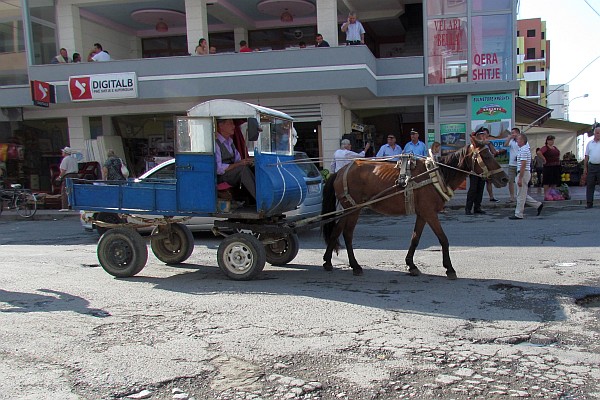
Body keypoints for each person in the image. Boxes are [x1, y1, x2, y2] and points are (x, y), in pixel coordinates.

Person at [215, 119, 256, 201]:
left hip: (232, 173)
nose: (233, 126)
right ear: (221, 126)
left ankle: (253, 199)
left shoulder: (230, 142)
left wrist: (247, 162)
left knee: (253, 167)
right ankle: (260, 199)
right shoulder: (216, 144)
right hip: (220, 177)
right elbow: (218, 169)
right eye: (230, 123)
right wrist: (238, 164)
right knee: (242, 170)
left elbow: (238, 160)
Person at [509, 133, 543, 219]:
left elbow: (523, 164)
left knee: (520, 195)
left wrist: (520, 177)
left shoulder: (524, 150)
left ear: (523, 140)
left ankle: (518, 214)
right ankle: (538, 205)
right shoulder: (523, 149)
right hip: (523, 172)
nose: (517, 140)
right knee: (521, 193)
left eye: (518, 139)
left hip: (523, 173)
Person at [465, 128, 488, 215]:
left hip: (483, 171)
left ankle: (477, 207)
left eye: (484, 135)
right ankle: (468, 208)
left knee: (480, 190)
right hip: (474, 172)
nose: (483, 137)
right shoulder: (472, 147)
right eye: (481, 136)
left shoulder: (485, 147)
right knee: (473, 190)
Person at [537, 135, 561, 201]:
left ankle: (553, 194)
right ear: (547, 141)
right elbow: (539, 152)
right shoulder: (545, 148)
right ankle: (546, 195)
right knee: (547, 181)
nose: (551, 141)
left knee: (554, 181)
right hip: (548, 166)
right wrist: (544, 159)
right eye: (550, 140)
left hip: (555, 166)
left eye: (553, 140)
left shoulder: (554, 148)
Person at [583, 126, 600, 208]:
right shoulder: (590, 143)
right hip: (592, 166)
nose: (599, 134)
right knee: (590, 185)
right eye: (597, 133)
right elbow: (586, 156)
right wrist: (585, 168)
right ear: (594, 134)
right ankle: (589, 203)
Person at [58, 147, 79, 211]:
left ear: (65, 153)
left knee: (65, 191)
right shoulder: (74, 159)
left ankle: (65, 207)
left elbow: (63, 170)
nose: (62, 152)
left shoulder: (65, 159)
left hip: (68, 176)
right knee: (74, 191)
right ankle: (74, 206)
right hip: (75, 176)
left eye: (63, 152)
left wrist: (59, 177)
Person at [504, 127, 520, 203]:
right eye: (511, 133)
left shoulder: (522, 141)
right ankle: (512, 196)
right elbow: (505, 145)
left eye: (513, 133)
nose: (512, 134)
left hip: (520, 164)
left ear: (517, 133)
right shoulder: (512, 141)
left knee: (520, 181)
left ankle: (520, 195)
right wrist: (509, 138)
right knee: (510, 181)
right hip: (512, 164)